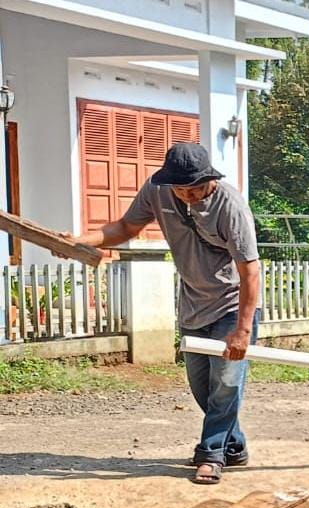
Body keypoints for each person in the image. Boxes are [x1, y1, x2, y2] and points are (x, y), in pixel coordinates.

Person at [70, 143, 260, 485]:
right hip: (192, 306)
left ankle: (211, 455)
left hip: (232, 307)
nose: (188, 194)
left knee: (226, 384)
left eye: (196, 187)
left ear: (210, 179)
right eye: (181, 188)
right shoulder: (157, 190)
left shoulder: (230, 206)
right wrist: (84, 241)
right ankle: (234, 447)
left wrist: (243, 330)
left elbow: (250, 271)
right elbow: (126, 227)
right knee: (203, 389)